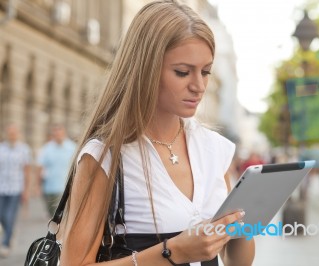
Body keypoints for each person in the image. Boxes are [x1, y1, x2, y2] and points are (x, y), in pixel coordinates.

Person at [60, 1, 255, 265]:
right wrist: (174, 252)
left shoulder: (213, 148)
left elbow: (236, 261)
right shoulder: (104, 156)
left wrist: (244, 221)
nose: (199, 86)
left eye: (206, 72)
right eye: (182, 72)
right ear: (146, 68)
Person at [0, 124, 32, 258]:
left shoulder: (24, 149)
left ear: (18, 134)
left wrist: (26, 191)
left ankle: (6, 244)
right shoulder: (1, 148)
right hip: (1, 188)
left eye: (14, 133)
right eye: (10, 133)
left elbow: (27, 171)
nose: (12, 135)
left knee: (9, 215)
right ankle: (10, 231)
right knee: (2, 215)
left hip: (16, 188)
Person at [37, 124, 76, 217]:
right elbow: (40, 166)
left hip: (65, 186)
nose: (58, 135)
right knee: (51, 211)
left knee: (59, 213)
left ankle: (59, 228)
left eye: (60, 133)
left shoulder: (72, 147)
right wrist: (38, 185)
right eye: (56, 133)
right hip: (49, 186)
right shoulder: (47, 148)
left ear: (64, 133)